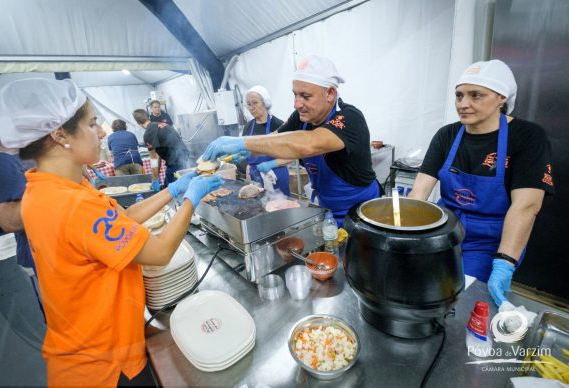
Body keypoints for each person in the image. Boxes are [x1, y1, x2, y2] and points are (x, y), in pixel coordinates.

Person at [0, 78, 223, 386]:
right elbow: (159, 252)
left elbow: (123, 218)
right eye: (93, 124)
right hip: (105, 366)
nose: (103, 132)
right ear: (60, 135)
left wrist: (173, 190)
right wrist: (192, 197)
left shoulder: (44, 187)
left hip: (76, 351)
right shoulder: (72, 203)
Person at [408, 60, 554, 306]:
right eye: (459, 95)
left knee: (462, 303)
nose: (463, 104)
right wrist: (403, 234)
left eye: (476, 95)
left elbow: (527, 206)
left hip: (491, 241)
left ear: (501, 98)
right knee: (423, 291)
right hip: (444, 233)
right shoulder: (447, 135)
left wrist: (504, 262)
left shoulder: (528, 137)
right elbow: (419, 191)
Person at [201, 55, 381, 226]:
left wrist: (243, 142)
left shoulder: (349, 117)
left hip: (362, 214)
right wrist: (245, 150)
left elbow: (308, 144)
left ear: (330, 94)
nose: (297, 104)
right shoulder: (301, 117)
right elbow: (276, 138)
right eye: (295, 94)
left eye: (305, 96)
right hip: (326, 210)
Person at [241, 86, 290, 195]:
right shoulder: (248, 126)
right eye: (248, 104)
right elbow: (246, 152)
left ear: (265, 103)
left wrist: (271, 164)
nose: (251, 108)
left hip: (276, 175)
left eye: (255, 103)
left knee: (281, 207)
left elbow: (291, 157)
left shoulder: (278, 125)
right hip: (255, 175)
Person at [133, 108, 189, 186]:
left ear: (138, 123)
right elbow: (158, 154)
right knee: (169, 185)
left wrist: (155, 179)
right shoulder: (164, 124)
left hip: (174, 162)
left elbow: (153, 160)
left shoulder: (148, 134)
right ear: (148, 117)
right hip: (184, 158)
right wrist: (157, 173)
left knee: (170, 191)